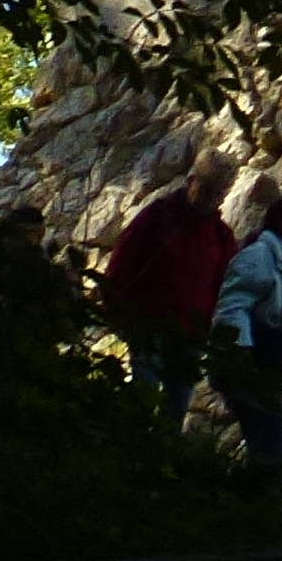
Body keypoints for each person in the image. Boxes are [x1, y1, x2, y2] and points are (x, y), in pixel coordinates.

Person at [97, 149, 238, 430]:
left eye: (219, 194)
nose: (211, 200)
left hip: (189, 339)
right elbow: (122, 264)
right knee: (143, 401)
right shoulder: (158, 216)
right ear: (190, 180)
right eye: (206, 190)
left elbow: (225, 287)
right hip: (149, 328)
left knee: (175, 413)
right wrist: (121, 312)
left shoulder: (221, 236)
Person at [211, 177, 282, 484]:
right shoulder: (259, 257)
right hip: (267, 380)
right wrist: (242, 359)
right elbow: (232, 307)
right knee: (272, 472)